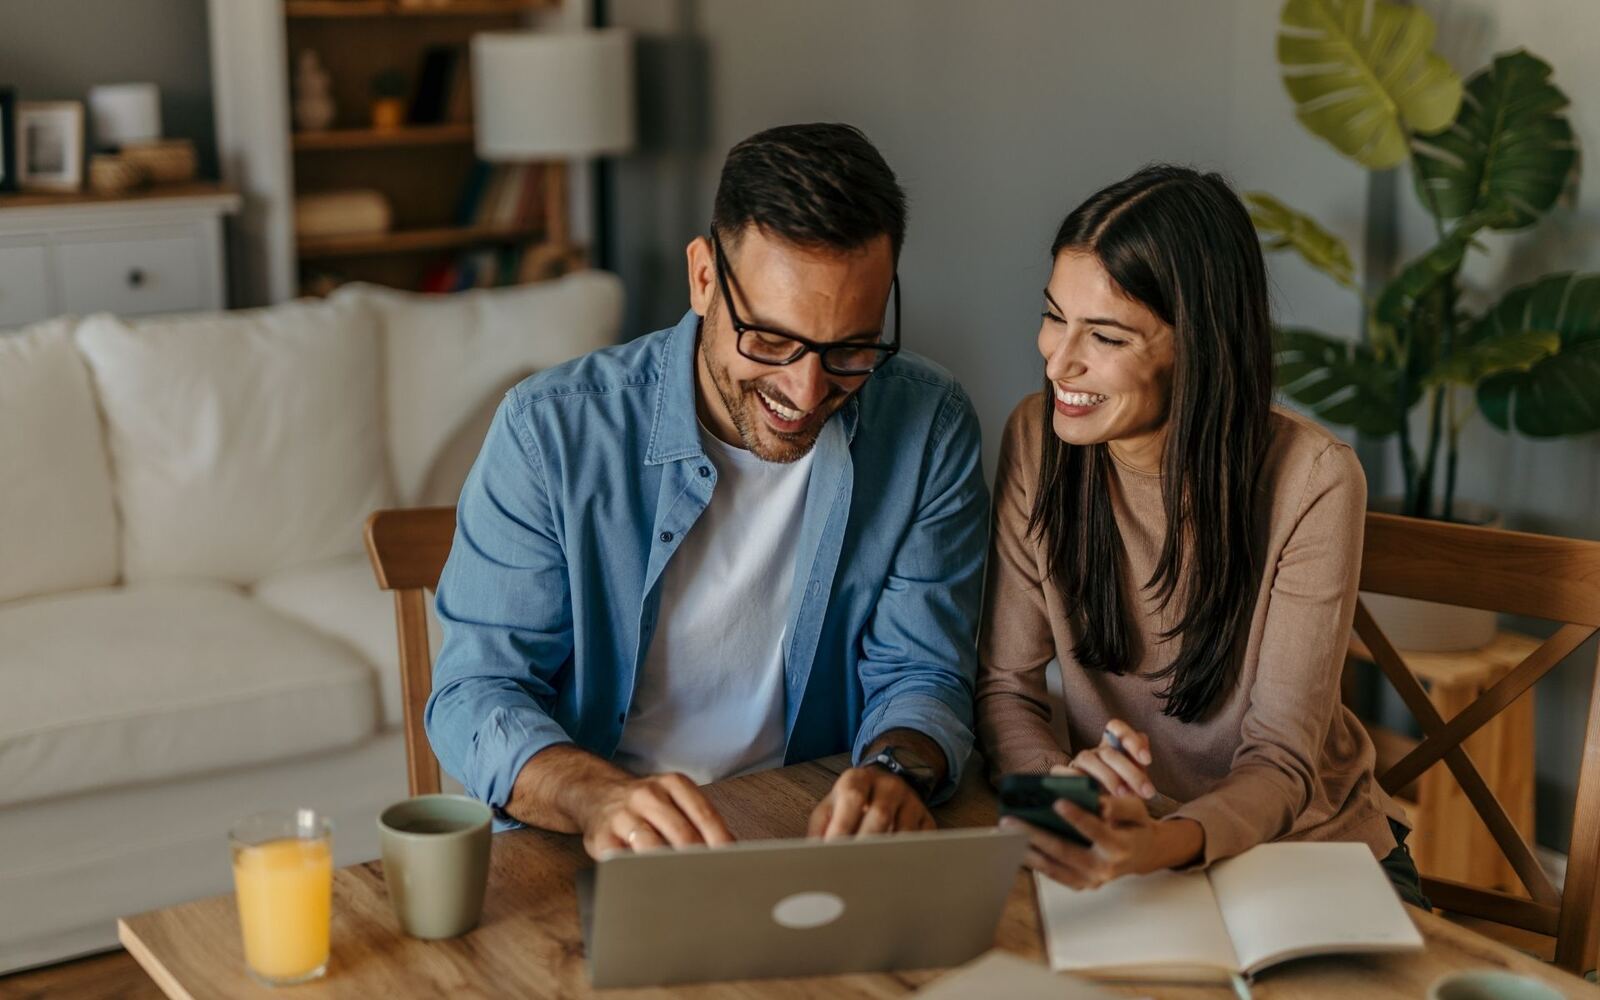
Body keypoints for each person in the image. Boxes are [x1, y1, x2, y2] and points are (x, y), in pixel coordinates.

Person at [427, 123, 989, 860]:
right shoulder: (549, 433)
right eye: (771, 339)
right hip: (586, 839)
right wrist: (599, 798)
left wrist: (895, 770)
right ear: (702, 279)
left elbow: (923, 673)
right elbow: (477, 695)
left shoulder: (929, 424)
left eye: (852, 347)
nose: (807, 389)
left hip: (808, 828)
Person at [977, 164, 1426, 907]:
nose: (1058, 360)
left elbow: (1282, 762)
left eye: (1108, 336)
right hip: (1122, 853)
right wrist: (1056, 794)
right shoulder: (1037, 439)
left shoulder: (1313, 481)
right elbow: (1006, 689)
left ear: (1199, 345)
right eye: (1055, 315)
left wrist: (1160, 844)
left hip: (1310, 855)